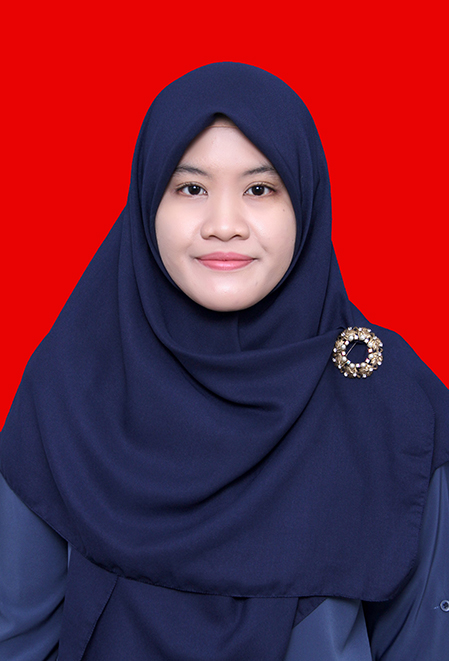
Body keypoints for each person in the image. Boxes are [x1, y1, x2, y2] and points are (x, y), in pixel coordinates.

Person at [1, 62, 448, 660]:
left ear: (306, 202)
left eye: (260, 190)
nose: (224, 226)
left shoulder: (390, 401)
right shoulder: (71, 386)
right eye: (191, 189)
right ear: (147, 202)